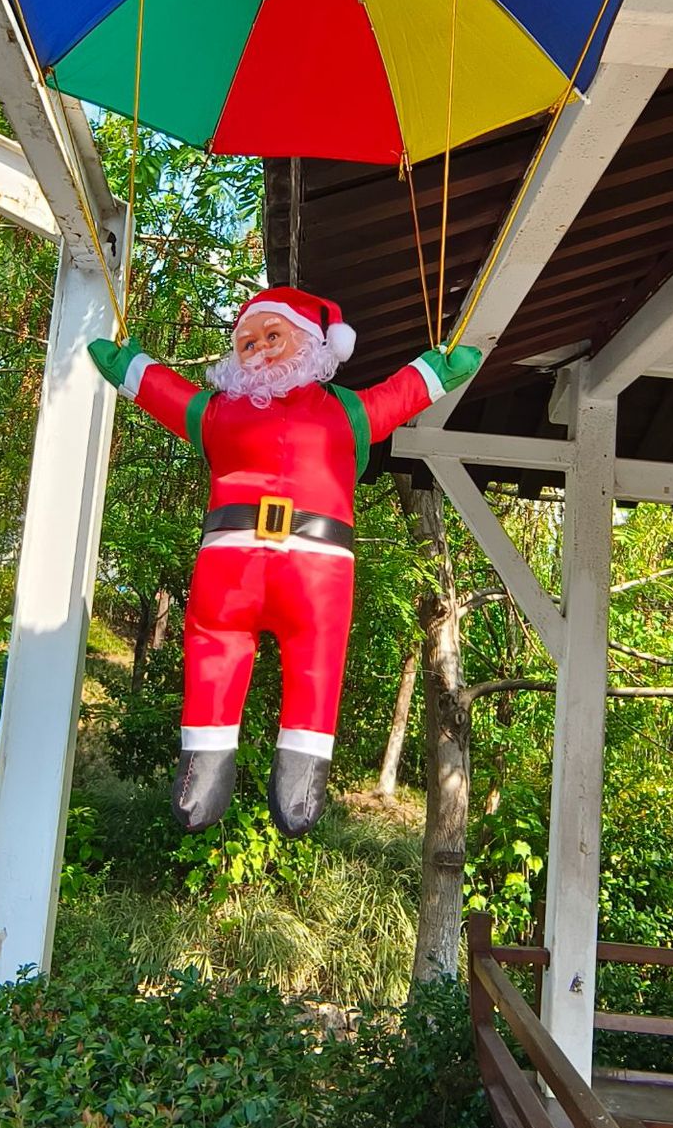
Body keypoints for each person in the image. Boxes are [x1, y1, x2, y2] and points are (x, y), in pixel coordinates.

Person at [89, 286, 480, 836]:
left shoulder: (344, 411)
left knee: (316, 664)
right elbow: (166, 393)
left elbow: (399, 395)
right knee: (213, 656)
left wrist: (438, 369)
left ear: (316, 345)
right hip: (232, 571)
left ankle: (303, 775)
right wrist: (129, 364)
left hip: (313, 575)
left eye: (274, 336)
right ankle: (202, 767)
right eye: (247, 342)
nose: (260, 350)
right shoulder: (217, 411)